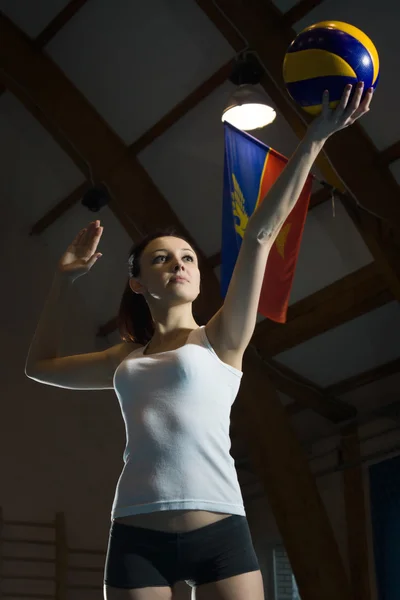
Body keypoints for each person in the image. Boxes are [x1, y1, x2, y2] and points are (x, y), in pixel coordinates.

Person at [25, 84, 372, 600]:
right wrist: (62, 280)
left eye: (186, 257)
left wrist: (315, 138)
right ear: (138, 283)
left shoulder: (222, 339)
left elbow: (260, 234)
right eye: (161, 259)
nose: (179, 264)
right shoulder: (125, 360)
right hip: (136, 535)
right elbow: (40, 365)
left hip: (220, 531)